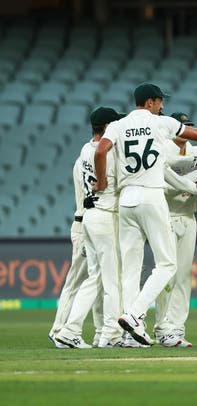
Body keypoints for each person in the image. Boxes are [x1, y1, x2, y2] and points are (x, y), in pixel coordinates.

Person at [93, 82, 197, 346]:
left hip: (126, 198)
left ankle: (130, 334)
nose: (163, 106)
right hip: (151, 195)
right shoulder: (160, 122)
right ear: (151, 102)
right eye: (160, 102)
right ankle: (134, 315)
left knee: (130, 269)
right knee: (168, 264)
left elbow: (101, 150)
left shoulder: (117, 125)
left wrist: (100, 182)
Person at [56, 107, 125, 348]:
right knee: (111, 280)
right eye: (115, 124)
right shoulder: (108, 153)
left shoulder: (85, 150)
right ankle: (109, 334)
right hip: (106, 216)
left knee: (95, 278)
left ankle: (71, 330)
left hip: (90, 216)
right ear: (107, 127)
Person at [153, 111, 197, 348]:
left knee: (183, 277)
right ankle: (162, 327)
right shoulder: (162, 152)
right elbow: (163, 188)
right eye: (182, 126)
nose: (185, 130)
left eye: (189, 126)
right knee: (167, 275)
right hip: (166, 216)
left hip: (188, 217)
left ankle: (176, 327)